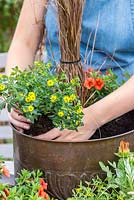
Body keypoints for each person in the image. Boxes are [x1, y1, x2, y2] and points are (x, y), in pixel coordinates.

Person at [6, 0, 134, 141]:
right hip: (54, 108)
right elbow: (24, 43)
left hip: (119, 116)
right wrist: (16, 94)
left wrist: (92, 118)